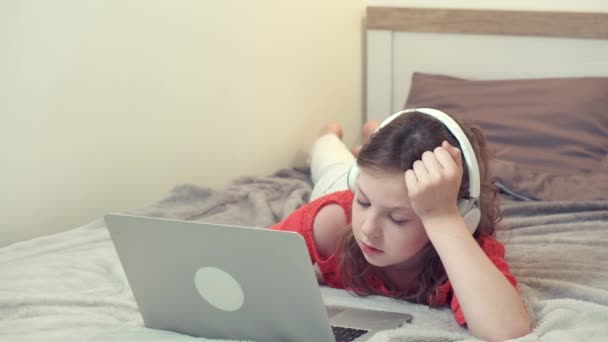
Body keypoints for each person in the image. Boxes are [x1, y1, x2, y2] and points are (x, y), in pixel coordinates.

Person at [270, 109, 531, 341]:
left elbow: (505, 330)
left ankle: (370, 134)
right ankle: (330, 135)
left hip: (387, 192)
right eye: (363, 203)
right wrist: (360, 200)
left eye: (397, 219)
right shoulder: (333, 218)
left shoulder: (454, 229)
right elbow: (250, 258)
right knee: (330, 160)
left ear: (463, 216)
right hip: (340, 181)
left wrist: (443, 218)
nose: (368, 230)